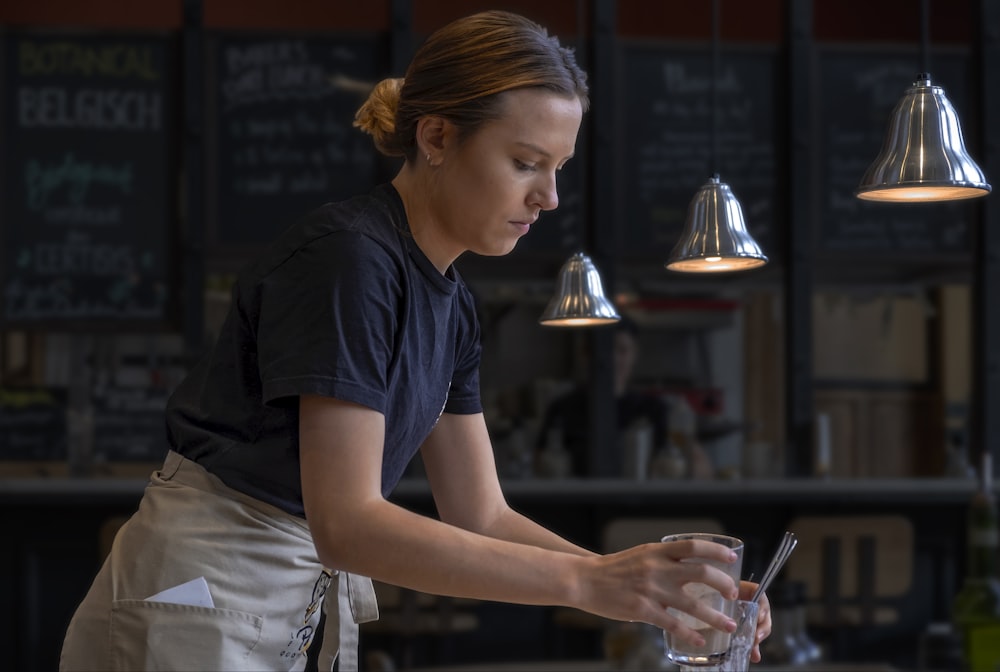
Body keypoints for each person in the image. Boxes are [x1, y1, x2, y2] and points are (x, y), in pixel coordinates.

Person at [59, 10, 770, 671]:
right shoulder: (350, 259)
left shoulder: (453, 306)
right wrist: (590, 579)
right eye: (525, 162)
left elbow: (482, 513)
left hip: (281, 596)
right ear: (435, 138)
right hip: (202, 589)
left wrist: (641, 589)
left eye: (559, 169)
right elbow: (348, 524)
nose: (549, 198)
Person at [535, 315, 714, 478]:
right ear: (585, 354)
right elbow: (537, 468)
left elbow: (702, 469)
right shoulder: (562, 408)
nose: (613, 359)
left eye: (622, 350)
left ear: (634, 355)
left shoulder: (655, 409)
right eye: (605, 351)